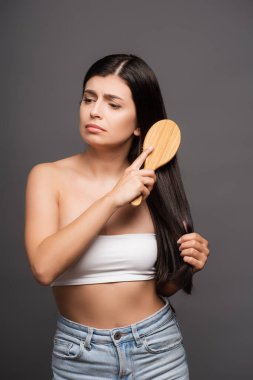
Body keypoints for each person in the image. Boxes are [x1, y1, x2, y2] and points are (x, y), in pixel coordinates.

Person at [24, 53, 210, 380]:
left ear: (140, 123)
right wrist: (112, 199)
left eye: (113, 104)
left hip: (157, 348)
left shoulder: (158, 184)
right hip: (79, 355)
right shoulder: (47, 177)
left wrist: (187, 263)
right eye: (88, 98)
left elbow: (164, 287)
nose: (95, 111)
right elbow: (43, 267)